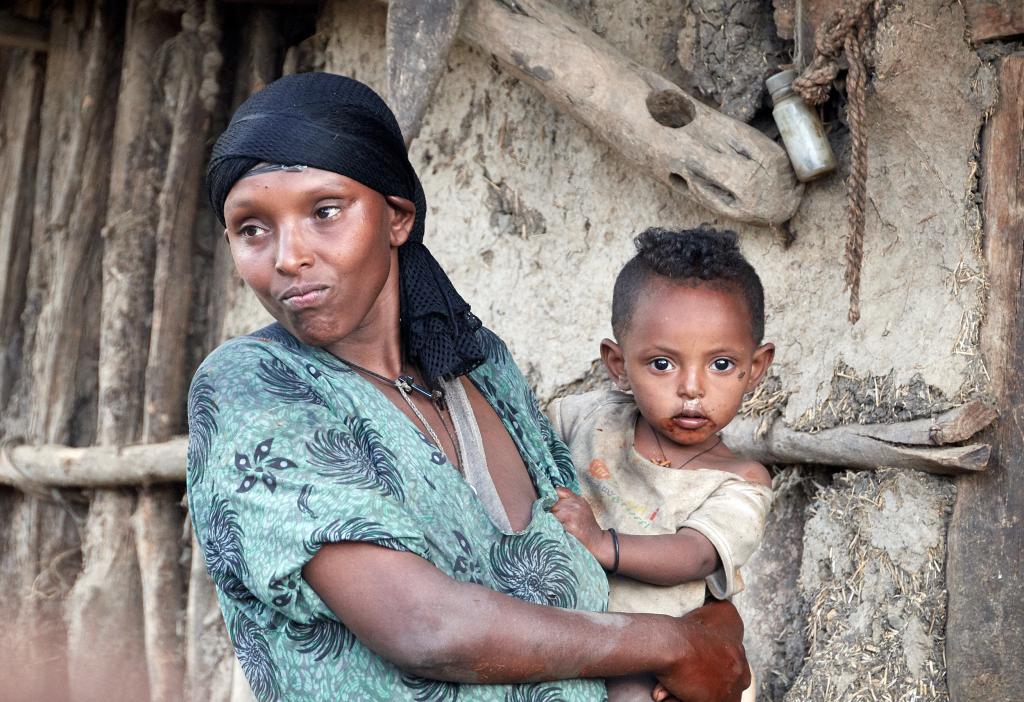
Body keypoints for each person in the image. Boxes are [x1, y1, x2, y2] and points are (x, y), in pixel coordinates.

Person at [187, 71, 750, 702]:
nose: (288, 255)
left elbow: (593, 563)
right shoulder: (254, 385)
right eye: (252, 229)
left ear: (396, 217)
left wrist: (712, 620)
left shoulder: (479, 365)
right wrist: (676, 644)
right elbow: (425, 628)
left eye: (325, 211)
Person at [547, 228, 775, 702]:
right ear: (617, 363)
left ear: (755, 369)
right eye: (662, 364)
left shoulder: (739, 482)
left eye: (721, 365)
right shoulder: (585, 416)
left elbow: (693, 555)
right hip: (570, 628)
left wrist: (601, 543)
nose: (692, 388)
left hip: (662, 659)